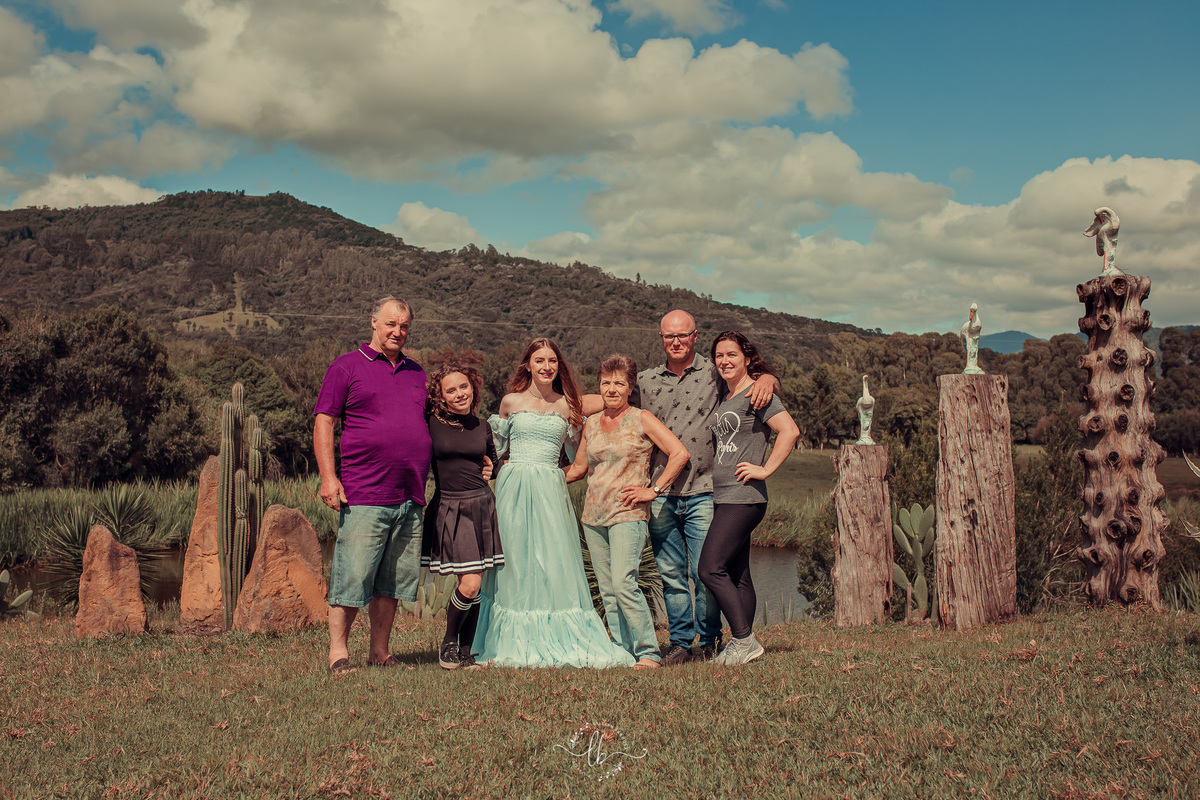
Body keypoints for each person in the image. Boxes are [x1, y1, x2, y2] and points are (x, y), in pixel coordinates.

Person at [472, 338, 635, 668]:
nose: (546, 367)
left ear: (559, 366)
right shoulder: (510, 402)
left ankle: (559, 633)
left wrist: (554, 478)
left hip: (550, 488)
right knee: (513, 562)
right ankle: (509, 638)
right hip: (513, 488)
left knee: (553, 559)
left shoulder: (568, 406)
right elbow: (493, 451)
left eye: (552, 361)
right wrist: (487, 470)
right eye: (539, 360)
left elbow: (582, 455)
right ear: (528, 365)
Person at [633, 309, 778, 665]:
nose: (676, 341)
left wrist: (768, 378)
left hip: (706, 489)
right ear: (661, 338)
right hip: (662, 491)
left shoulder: (714, 372)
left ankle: (711, 640)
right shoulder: (645, 381)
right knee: (671, 575)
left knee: (707, 572)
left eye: (683, 335)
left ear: (695, 336)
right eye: (670, 336)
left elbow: (749, 376)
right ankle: (681, 643)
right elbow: (614, 400)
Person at [314, 296, 431, 673]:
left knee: (392, 581)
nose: (398, 332)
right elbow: (324, 421)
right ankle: (338, 654)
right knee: (352, 575)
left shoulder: (417, 373)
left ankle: (379, 652)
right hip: (365, 493)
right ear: (374, 322)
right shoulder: (346, 366)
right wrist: (329, 477)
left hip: (410, 494)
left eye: (404, 326)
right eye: (391, 324)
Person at [564, 354, 690, 670]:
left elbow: (679, 453)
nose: (612, 389)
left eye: (619, 383)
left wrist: (654, 490)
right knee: (608, 591)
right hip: (593, 516)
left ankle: (648, 652)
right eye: (606, 383)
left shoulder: (641, 418)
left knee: (624, 583)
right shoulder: (591, 424)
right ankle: (622, 651)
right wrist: (535, 473)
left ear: (630, 387)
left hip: (628, 514)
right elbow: (578, 468)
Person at [699, 331, 800, 666]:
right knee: (738, 574)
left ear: (746, 358)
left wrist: (765, 469)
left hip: (744, 496)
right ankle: (743, 644)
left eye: (731, 354)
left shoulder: (757, 393)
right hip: (725, 495)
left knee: (710, 568)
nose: (725, 361)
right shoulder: (727, 395)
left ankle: (744, 641)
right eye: (719, 356)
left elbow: (789, 430)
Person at [423, 363, 502, 671]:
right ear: (441, 396)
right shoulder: (431, 423)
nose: (459, 394)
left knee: (475, 582)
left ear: (473, 388)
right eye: (451, 390)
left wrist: (491, 469)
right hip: (451, 506)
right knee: (469, 583)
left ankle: (467, 653)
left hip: (482, 505)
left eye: (464, 387)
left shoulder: (482, 426)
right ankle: (449, 643)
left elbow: (494, 463)